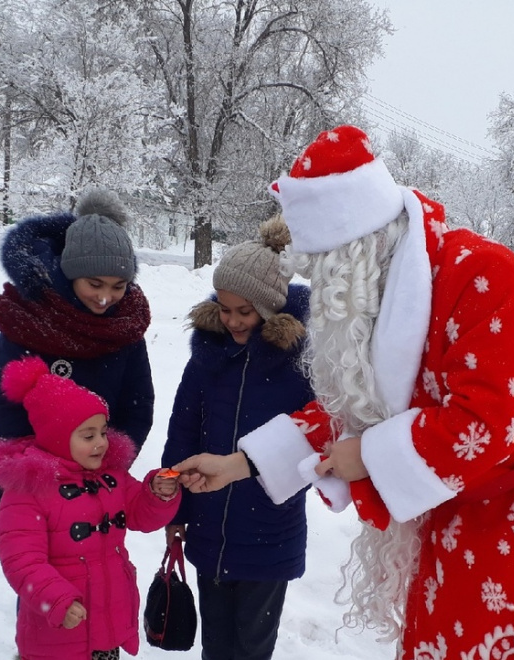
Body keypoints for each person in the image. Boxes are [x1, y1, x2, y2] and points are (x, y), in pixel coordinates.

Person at [174, 125, 514, 659]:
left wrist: (369, 456)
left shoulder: (486, 276)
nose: (322, 289)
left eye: (326, 270)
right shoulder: (385, 293)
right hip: (454, 501)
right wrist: (238, 464)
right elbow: (352, 409)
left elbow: (491, 421)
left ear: (357, 250)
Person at [160, 216, 314, 660]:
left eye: (244, 311)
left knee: (252, 647)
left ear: (270, 307)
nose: (231, 321)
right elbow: (183, 430)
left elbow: (313, 439)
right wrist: (174, 508)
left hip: (269, 532)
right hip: (209, 525)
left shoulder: (300, 364)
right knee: (216, 644)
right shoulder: (209, 356)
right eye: (224, 309)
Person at [0, 189, 154, 562]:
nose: (106, 297)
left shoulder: (125, 331)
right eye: (95, 284)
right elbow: (0, 405)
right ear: (69, 273)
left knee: (98, 571)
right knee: (37, 573)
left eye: (118, 286)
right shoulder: (31, 320)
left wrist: (106, 460)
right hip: (34, 487)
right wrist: (51, 466)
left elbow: (138, 405)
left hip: (96, 480)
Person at [0, 355, 179, 660]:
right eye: (88, 436)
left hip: (106, 625)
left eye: (103, 432)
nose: (101, 442)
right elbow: (22, 561)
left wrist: (157, 492)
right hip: (59, 629)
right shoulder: (28, 490)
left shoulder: (110, 477)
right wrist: (56, 599)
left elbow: (141, 514)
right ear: (58, 438)